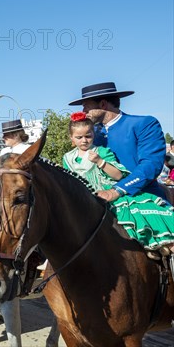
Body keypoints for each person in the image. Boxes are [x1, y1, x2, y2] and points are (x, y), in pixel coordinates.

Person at [63, 113, 174, 256]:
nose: (84, 140)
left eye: (88, 136)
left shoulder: (102, 151)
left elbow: (119, 175)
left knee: (137, 215)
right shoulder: (67, 158)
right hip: (84, 198)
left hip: (109, 193)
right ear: (71, 138)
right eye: (79, 137)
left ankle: (153, 245)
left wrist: (100, 162)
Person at [69, 81, 166, 201]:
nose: (83, 112)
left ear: (103, 104)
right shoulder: (90, 133)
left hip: (142, 194)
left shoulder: (144, 124)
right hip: (98, 198)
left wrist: (118, 190)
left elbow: (151, 165)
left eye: (86, 106)